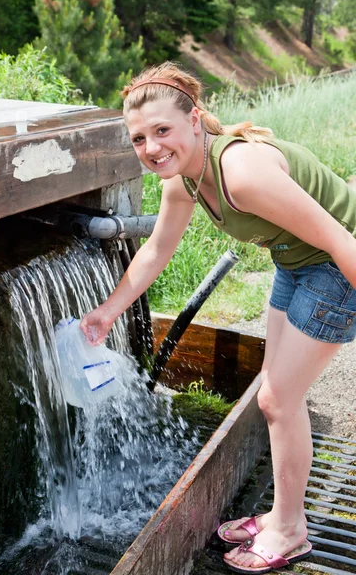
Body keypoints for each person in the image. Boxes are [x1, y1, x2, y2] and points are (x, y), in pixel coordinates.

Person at [80, 62, 356, 574]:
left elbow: (340, 239)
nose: (152, 147)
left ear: (195, 120)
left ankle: (291, 531)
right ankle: (281, 514)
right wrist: (106, 311)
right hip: (295, 261)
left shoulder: (240, 173)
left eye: (162, 130)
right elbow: (155, 253)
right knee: (276, 394)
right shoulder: (183, 182)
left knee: (277, 398)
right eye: (139, 138)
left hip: (334, 264)